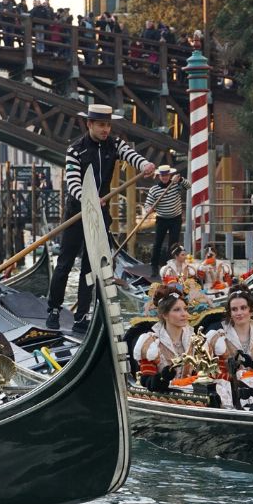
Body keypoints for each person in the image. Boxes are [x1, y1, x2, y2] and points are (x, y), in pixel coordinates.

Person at [48, 103, 155, 333]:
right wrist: (89, 200)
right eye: (100, 125)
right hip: (77, 212)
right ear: (89, 125)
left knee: (91, 266)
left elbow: (131, 155)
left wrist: (145, 164)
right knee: (65, 262)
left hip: (101, 213)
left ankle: (81, 316)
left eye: (107, 124)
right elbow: (73, 183)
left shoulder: (114, 144)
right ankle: (54, 309)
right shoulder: (75, 150)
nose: (105, 129)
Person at [134, 284, 196, 391]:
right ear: (165, 315)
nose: (184, 314)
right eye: (177, 310)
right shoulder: (150, 342)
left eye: (185, 309)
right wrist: (163, 377)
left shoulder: (195, 339)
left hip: (196, 396)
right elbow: (147, 381)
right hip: (164, 397)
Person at [143, 164, 188, 272]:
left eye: (166, 175)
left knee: (173, 244)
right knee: (157, 243)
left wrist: (181, 179)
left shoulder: (176, 185)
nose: (165, 177)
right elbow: (147, 204)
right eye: (162, 176)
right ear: (159, 176)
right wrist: (149, 209)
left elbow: (188, 186)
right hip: (162, 219)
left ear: (169, 175)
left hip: (175, 219)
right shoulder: (154, 190)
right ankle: (154, 267)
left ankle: (171, 267)